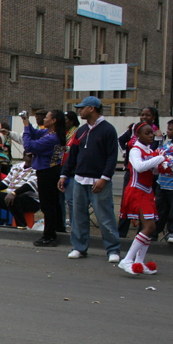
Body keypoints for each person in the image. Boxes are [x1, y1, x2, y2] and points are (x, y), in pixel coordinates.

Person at [58, 97, 121, 262]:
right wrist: (64, 174)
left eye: (82, 107)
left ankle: (113, 249)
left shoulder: (108, 130)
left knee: (105, 216)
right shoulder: (81, 130)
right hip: (79, 179)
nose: (79, 110)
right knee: (78, 216)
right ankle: (79, 247)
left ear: (92, 108)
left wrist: (105, 178)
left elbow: (112, 157)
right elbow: (73, 155)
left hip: (99, 181)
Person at [117, 122, 165, 275]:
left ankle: (139, 262)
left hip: (147, 192)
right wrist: (159, 158)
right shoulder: (135, 150)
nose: (151, 135)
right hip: (137, 191)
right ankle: (127, 260)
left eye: (152, 133)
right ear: (138, 135)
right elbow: (139, 166)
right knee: (149, 227)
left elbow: (153, 171)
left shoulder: (149, 150)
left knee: (151, 228)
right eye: (147, 133)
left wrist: (166, 163)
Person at [24, 110, 67, 247]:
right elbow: (36, 133)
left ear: (54, 120)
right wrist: (27, 122)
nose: (44, 120)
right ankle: (58, 229)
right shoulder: (49, 134)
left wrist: (25, 126)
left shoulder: (52, 138)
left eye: (47, 117)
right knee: (53, 204)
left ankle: (49, 236)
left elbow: (29, 146)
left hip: (48, 172)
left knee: (48, 206)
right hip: (49, 171)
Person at [117, 107, 160, 238]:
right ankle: (121, 236)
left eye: (148, 115)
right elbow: (140, 165)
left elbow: (154, 161)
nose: (144, 117)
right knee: (127, 206)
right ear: (138, 135)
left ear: (154, 117)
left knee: (148, 224)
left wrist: (160, 161)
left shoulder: (156, 134)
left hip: (147, 185)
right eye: (142, 114)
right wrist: (126, 153)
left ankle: (140, 242)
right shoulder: (135, 143)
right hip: (135, 182)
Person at [0, 152, 39, 227]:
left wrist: (14, 193)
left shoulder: (38, 168)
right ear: (23, 157)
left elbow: (29, 185)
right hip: (12, 197)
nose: (33, 158)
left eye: (35, 156)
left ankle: (22, 226)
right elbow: (5, 183)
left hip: (31, 200)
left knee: (14, 199)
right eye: (30, 156)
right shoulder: (17, 166)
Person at [155, 119, 173, 244]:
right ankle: (154, 231)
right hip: (162, 183)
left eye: (170, 129)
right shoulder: (166, 145)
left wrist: (162, 163)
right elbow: (157, 156)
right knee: (160, 209)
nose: (167, 132)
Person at [59, 111, 80, 229]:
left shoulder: (78, 132)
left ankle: (74, 228)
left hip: (72, 171)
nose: (63, 122)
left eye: (66, 119)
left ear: (72, 120)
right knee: (59, 201)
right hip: (60, 169)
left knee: (71, 201)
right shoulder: (62, 133)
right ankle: (61, 227)